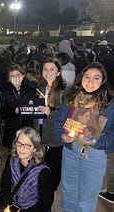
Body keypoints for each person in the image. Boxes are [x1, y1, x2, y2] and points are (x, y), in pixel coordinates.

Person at [54, 62, 114, 212]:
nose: (90, 82)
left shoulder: (110, 103)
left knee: (87, 194)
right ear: (81, 78)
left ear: (103, 81)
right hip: (70, 150)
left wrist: (97, 141)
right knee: (69, 189)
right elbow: (58, 121)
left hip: (94, 153)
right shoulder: (71, 97)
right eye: (87, 77)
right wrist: (63, 135)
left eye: (96, 78)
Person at [0, 126, 54, 212]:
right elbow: (5, 185)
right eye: (19, 143)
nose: (21, 148)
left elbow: (45, 202)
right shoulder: (12, 159)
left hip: (32, 210)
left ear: (35, 148)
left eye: (27, 145)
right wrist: (7, 204)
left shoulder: (43, 171)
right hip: (13, 204)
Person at [35, 58, 69, 196]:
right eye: (45, 69)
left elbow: (69, 117)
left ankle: (50, 193)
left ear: (59, 72)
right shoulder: (40, 88)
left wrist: (51, 112)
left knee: (55, 168)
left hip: (55, 138)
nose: (48, 72)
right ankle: (40, 190)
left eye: (52, 69)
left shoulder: (66, 91)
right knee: (40, 167)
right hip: (40, 136)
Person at [0, 64, 36, 150]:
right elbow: (2, 112)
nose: (15, 78)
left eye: (18, 75)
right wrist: (13, 111)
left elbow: (35, 110)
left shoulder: (31, 90)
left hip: (27, 128)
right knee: (13, 154)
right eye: (12, 76)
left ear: (23, 75)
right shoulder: (5, 92)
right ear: (9, 78)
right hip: (12, 129)